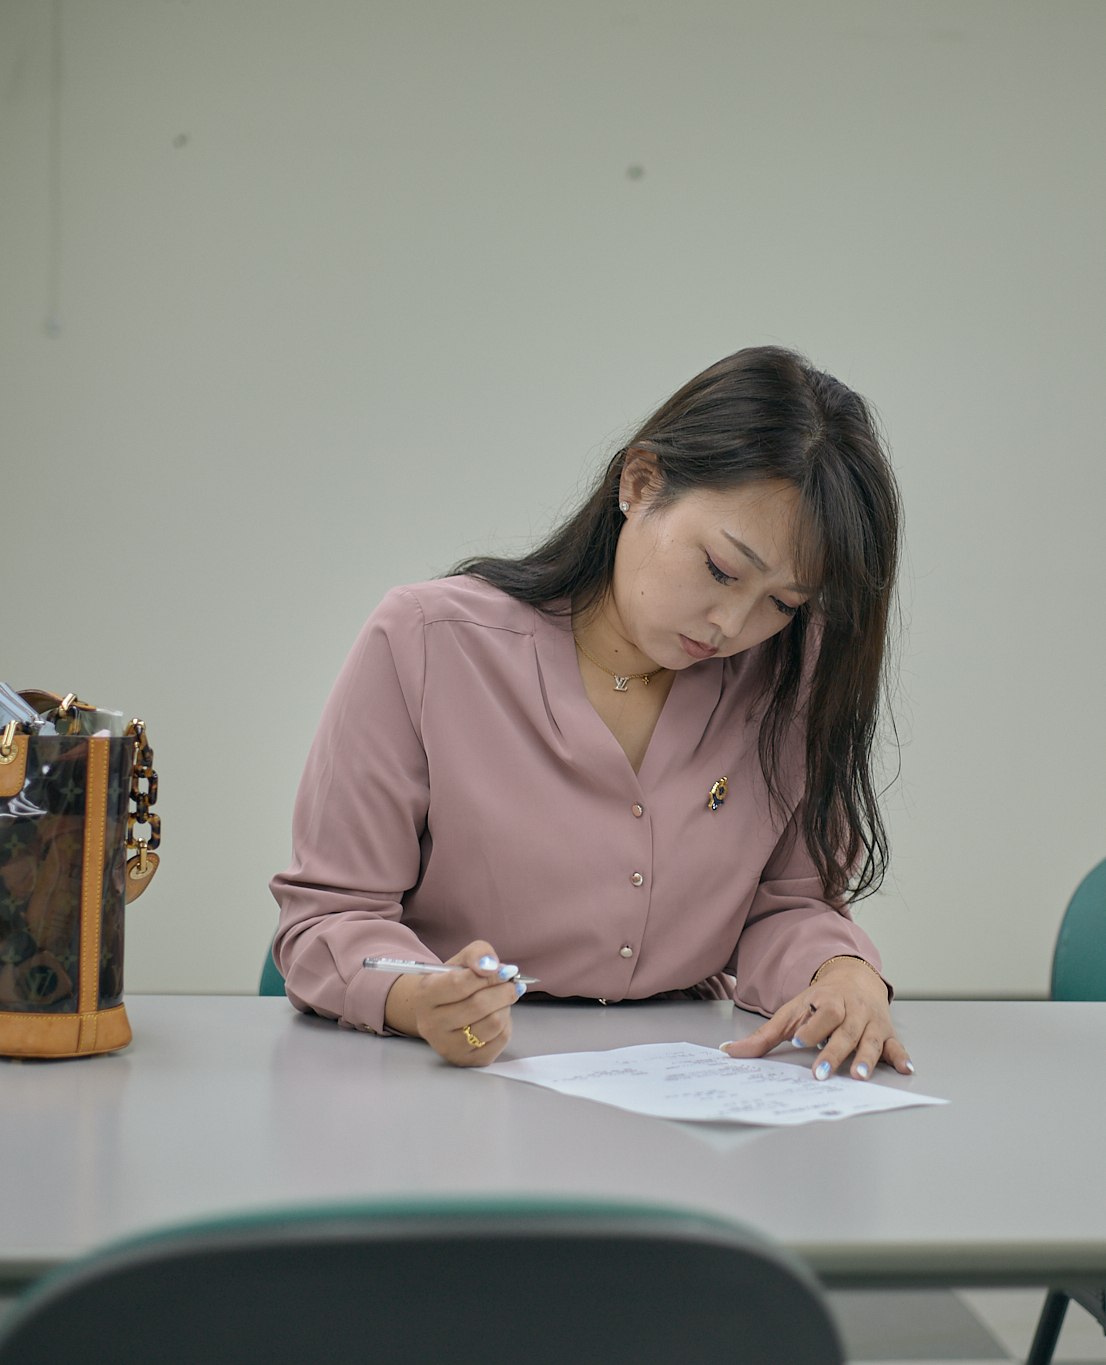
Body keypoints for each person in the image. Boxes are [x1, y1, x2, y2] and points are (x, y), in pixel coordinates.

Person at [269, 346, 909, 1080]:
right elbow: (329, 918)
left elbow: (785, 906)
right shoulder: (426, 645)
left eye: (783, 603)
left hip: (685, 1088)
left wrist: (842, 972)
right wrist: (420, 999)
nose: (733, 623)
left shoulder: (789, 677)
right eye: (721, 569)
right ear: (640, 483)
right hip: (446, 1087)